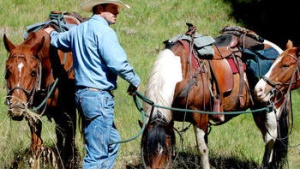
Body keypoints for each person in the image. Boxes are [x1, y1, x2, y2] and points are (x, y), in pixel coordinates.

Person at [44, 0, 140, 168]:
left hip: (83, 97)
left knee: (113, 141)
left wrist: (51, 33)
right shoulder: (105, 32)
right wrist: (135, 80)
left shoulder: (78, 30)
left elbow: (58, 41)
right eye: (113, 8)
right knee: (95, 156)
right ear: (100, 9)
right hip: (98, 98)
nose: (116, 12)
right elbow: (117, 63)